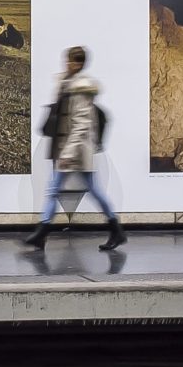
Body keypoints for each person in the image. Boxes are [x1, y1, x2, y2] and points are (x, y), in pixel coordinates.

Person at [25, 48, 124, 252]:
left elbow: (80, 125)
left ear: (77, 64)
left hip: (74, 151)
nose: (66, 64)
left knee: (82, 190)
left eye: (70, 61)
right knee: (75, 190)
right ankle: (42, 234)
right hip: (68, 148)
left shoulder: (81, 88)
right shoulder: (70, 84)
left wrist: (67, 154)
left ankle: (116, 230)